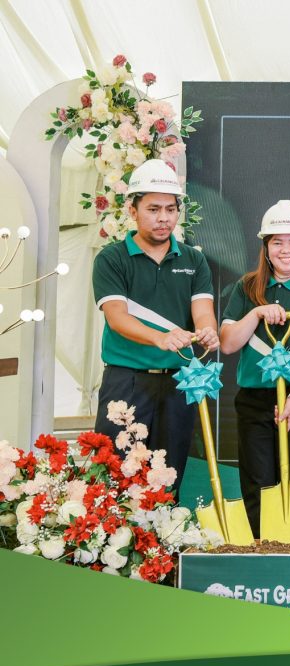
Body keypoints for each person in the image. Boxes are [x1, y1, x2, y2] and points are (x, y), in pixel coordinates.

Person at [92, 159, 218, 492]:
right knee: (116, 477)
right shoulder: (112, 258)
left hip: (179, 385)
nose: (163, 218)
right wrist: (159, 338)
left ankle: (160, 543)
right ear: (132, 210)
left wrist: (208, 331)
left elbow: (203, 310)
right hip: (126, 381)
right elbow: (117, 317)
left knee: (167, 476)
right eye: (153, 209)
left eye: (170, 209)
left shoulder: (194, 259)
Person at [219, 200, 290, 537]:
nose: (286, 250)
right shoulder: (246, 288)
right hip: (254, 398)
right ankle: (258, 550)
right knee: (258, 480)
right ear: (266, 248)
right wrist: (256, 313)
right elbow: (227, 343)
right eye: (277, 242)